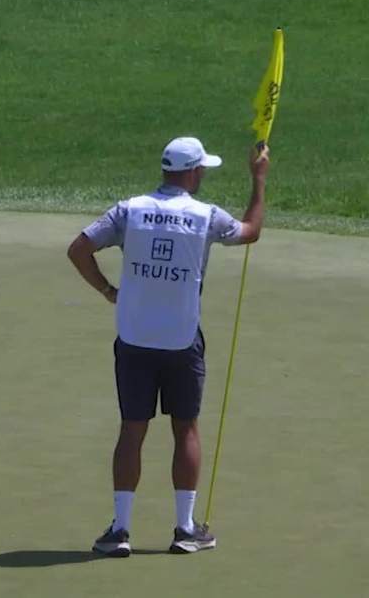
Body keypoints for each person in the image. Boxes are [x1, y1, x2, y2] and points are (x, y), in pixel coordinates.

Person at [67, 136, 269, 556]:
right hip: (181, 341)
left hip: (135, 339)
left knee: (132, 429)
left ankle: (120, 531)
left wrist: (108, 290)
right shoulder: (205, 216)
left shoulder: (130, 210)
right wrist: (258, 180)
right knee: (186, 427)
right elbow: (249, 233)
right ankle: (184, 529)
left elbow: (79, 248)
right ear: (193, 172)